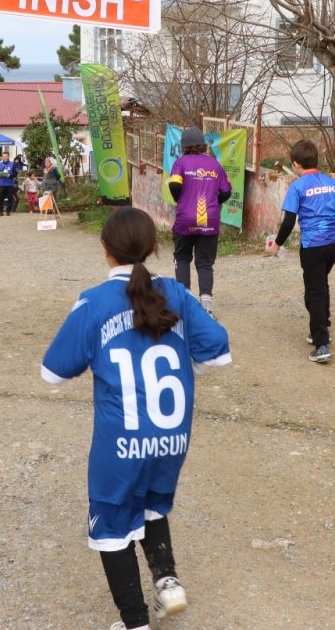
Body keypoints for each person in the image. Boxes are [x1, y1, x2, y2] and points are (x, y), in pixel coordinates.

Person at [41, 206, 231, 630]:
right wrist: (185, 365)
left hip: (122, 439)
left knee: (111, 526)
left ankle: (135, 623)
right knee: (149, 503)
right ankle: (168, 583)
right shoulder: (176, 292)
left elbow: (52, 371)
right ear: (152, 247)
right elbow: (218, 350)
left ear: (105, 249)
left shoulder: (94, 301)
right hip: (172, 438)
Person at [267, 139, 335, 364]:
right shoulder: (331, 182)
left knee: (314, 292)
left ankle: (321, 344)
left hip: (313, 246)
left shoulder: (297, 187)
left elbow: (289, 221)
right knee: (321, 284)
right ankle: (322, 327)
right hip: (334, 244)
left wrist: (276, 245)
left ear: (296, 164)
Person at [167, 126, 231, 319]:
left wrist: (180, 199)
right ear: (203, 145)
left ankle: (184, 305)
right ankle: (206, 308)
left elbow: (174, 184)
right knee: (205, 263)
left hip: (185, 219)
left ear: (184, 146)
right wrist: (214, 202)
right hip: (209, 219)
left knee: (182, 258)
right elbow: (226, 191)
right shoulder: (214, 164)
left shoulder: (180, 162)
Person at [0, 150, 18, 217]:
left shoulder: (12, 164)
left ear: (8, 157)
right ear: (2, 157)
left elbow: (15, 173)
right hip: (1, 184)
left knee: (9, 198)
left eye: (6, 156)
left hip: (9, 184)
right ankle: (0, 212)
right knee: (0, 198)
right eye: (3, 156)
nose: (5, 158)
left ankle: (8, 211)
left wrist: (10, 175)